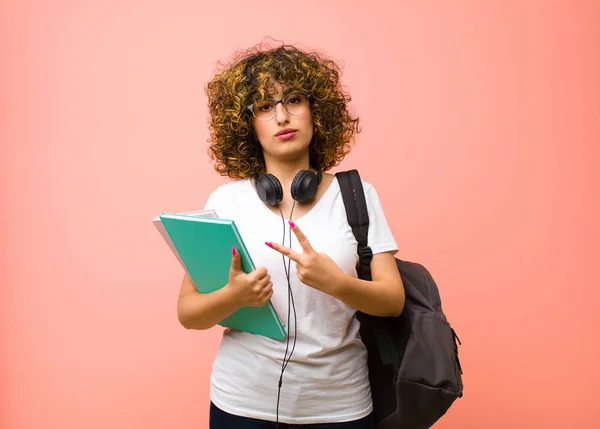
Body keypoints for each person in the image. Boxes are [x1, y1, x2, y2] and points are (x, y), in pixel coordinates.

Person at [176, 42, 405, 429]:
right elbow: (188, 313)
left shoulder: (356, 196)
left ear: (317, 111)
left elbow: (393, 301)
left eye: (293, 100)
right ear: (247, 124)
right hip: (241, 404)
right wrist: (232, 297)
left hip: (340, 406)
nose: (282, 116)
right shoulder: (225, 201)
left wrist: (337, 283)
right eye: (265, 106)